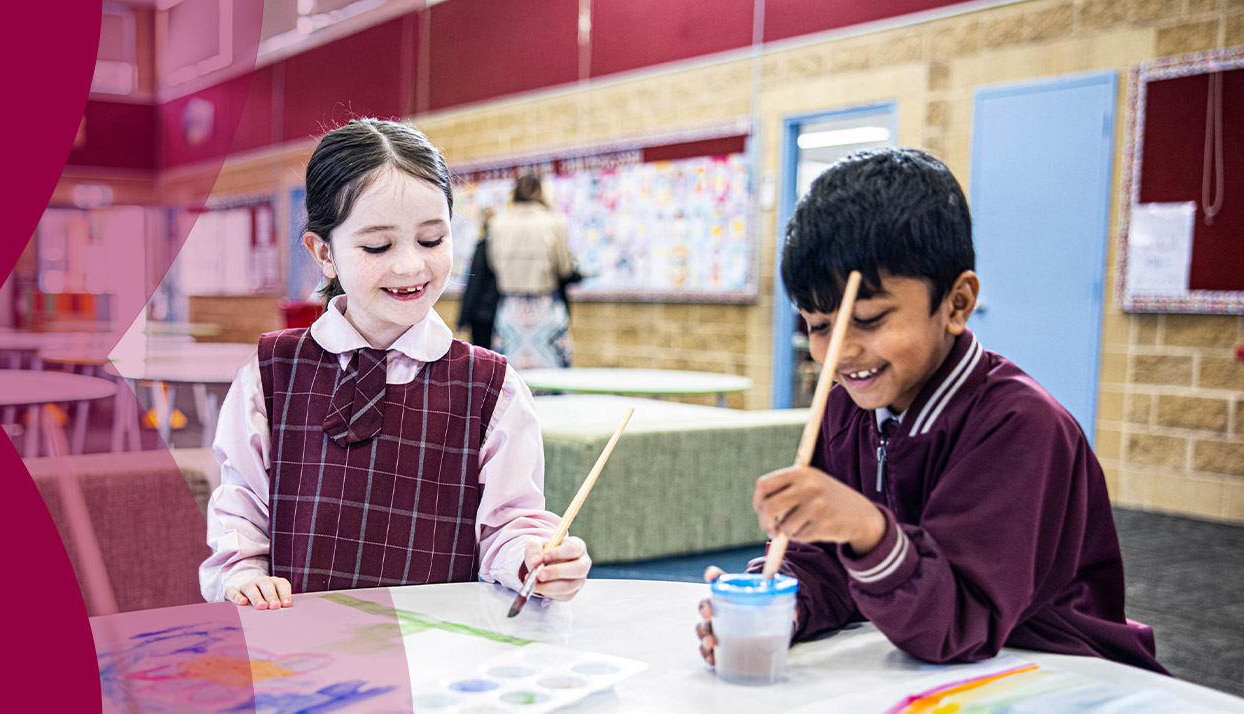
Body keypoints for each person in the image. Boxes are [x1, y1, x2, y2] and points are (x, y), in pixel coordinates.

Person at [692, 148, 1165, 673]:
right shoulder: (844, 407)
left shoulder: (1021, 426)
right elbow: (825, 560)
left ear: (956, 303)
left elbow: (960, 623)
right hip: (931, 661)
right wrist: (785, 604)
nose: (840, 351)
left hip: (1062, 669)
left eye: (868, 319)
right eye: (819, 325)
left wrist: (868, 531)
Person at [200, 119, 590, 610]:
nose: (410, 266)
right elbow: (241, 506)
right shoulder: (271, 372)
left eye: (431, 240)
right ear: (324, 253)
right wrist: (242, 571)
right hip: (298, 638)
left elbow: (508, 524)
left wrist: (533, 558)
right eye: (377, 246)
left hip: (438, 642)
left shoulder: (492, 386)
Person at [483, 174, 578, 369]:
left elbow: (492, 265)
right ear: (541, 191)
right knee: (553, 375)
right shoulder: (555, 222)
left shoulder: (497, 224)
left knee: (510, 376)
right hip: (545, 309)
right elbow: (565, 269)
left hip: (510, 309)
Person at [456, 206, 500, 349]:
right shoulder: (502, 249)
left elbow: (474, 284)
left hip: (481, 315)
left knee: (482, 357)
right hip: (499, 312)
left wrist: (463, 318)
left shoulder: (482, 248)